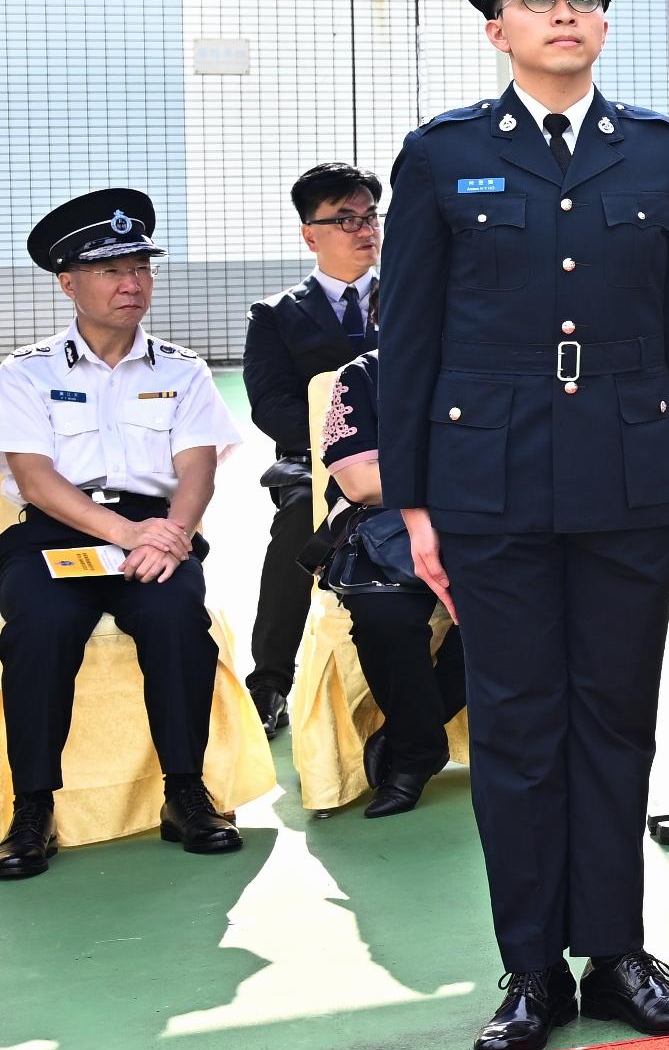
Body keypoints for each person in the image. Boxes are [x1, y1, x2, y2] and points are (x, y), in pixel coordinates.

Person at [375, 0, 669, 1050]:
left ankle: (616, 951)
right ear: (496, 27)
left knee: (616, 721)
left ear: (604, 19)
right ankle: (530, 967)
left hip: (632, 475)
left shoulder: (662, 151)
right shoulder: (441, 153)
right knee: (520, 728)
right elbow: (412, 339)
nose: (563, 12)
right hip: (489, 483)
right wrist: (416, 503)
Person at [0, 190, 244, 880]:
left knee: (175, 619)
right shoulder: (25, 373)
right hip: (58, 533)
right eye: (110, 269)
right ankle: (33, 807)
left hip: (160, 531)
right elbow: (38, 479)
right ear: (68, 282)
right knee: (39, 626)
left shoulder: (183, 369)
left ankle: (186, 794)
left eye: (140, 266)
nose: (131, 282)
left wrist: (167, 538)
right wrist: (127, 530)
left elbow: (197, 471)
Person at [238, 160, 383, 731]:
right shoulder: (275, 316)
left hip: (406, 464)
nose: (364, 229)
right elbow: (270, 406)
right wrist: (346, 449)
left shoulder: (415, 300)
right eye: (345, 219)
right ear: (309, 234)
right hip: (314, 471)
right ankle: (270, 681)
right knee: (299, 525)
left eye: (370, 215)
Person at [311, 343, 467, 817]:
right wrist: (473, 474)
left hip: (492, 521)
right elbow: (360, 481)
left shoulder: (507, 360)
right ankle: (418, 752)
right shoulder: (364, 373)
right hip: (387, 527)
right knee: (385, 617)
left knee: (513, 614)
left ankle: (407, 741)